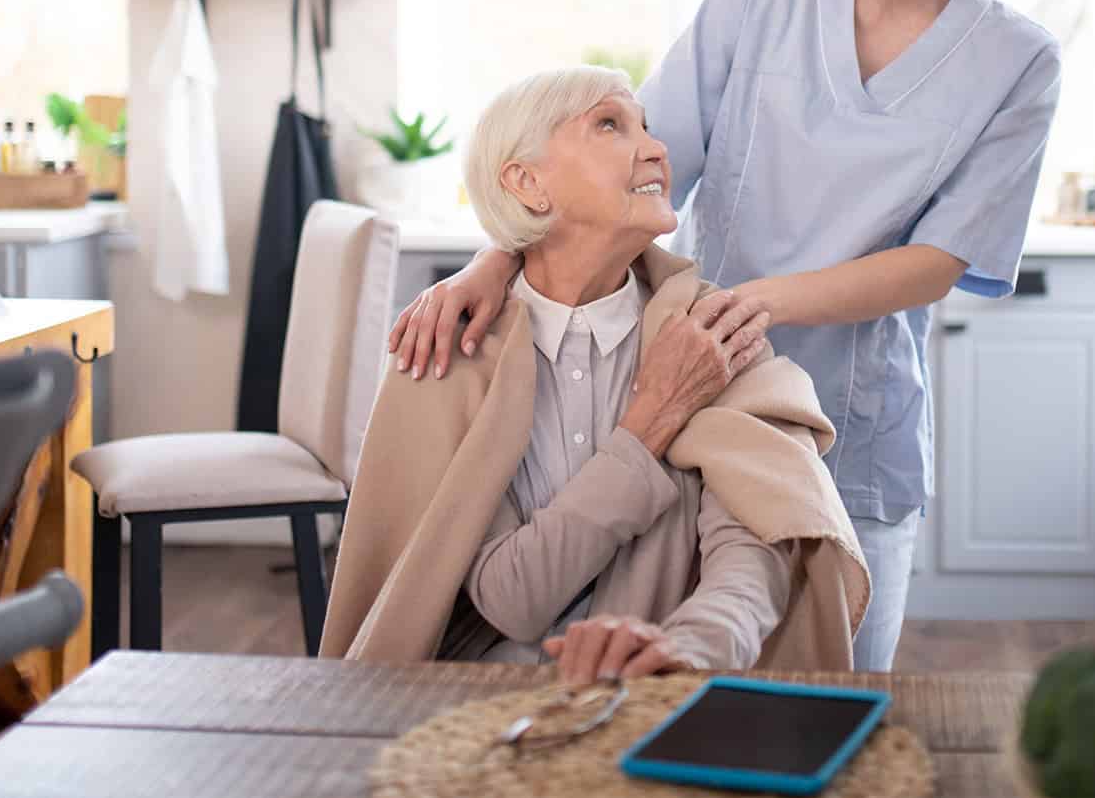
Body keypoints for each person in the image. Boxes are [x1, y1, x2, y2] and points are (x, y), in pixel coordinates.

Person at [391, 0, 1063, 671]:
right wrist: (493, 257)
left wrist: (760, 303)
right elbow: (630, 171)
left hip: (853, 434)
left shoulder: (1017, 59)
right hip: (691, 405)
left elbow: (942, 260)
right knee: (676, 692)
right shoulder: (760, 1)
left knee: (833, 705)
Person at [322, 67, 869, 680]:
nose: (657, 148)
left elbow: (756, 549)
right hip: (476, 700)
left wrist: (695, 645)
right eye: (609, 124)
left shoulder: (711, 332)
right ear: (528, 182)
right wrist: (649, 422)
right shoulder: (453, 353)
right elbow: (511, 599)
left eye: (646, 127)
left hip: (664, 696)